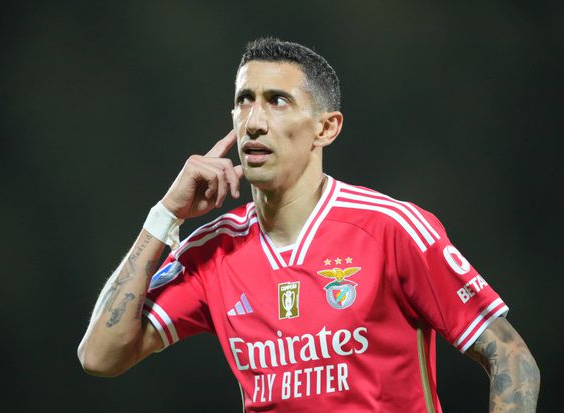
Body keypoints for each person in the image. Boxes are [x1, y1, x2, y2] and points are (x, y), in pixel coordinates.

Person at [77, 37, 540, 412]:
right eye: (244, 101)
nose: (254, 122)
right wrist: (165, 216)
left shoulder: (391, 229)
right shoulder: (214, 252)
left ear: (326, 128)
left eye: (277, 101)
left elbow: (512, 358)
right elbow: (100, 356)